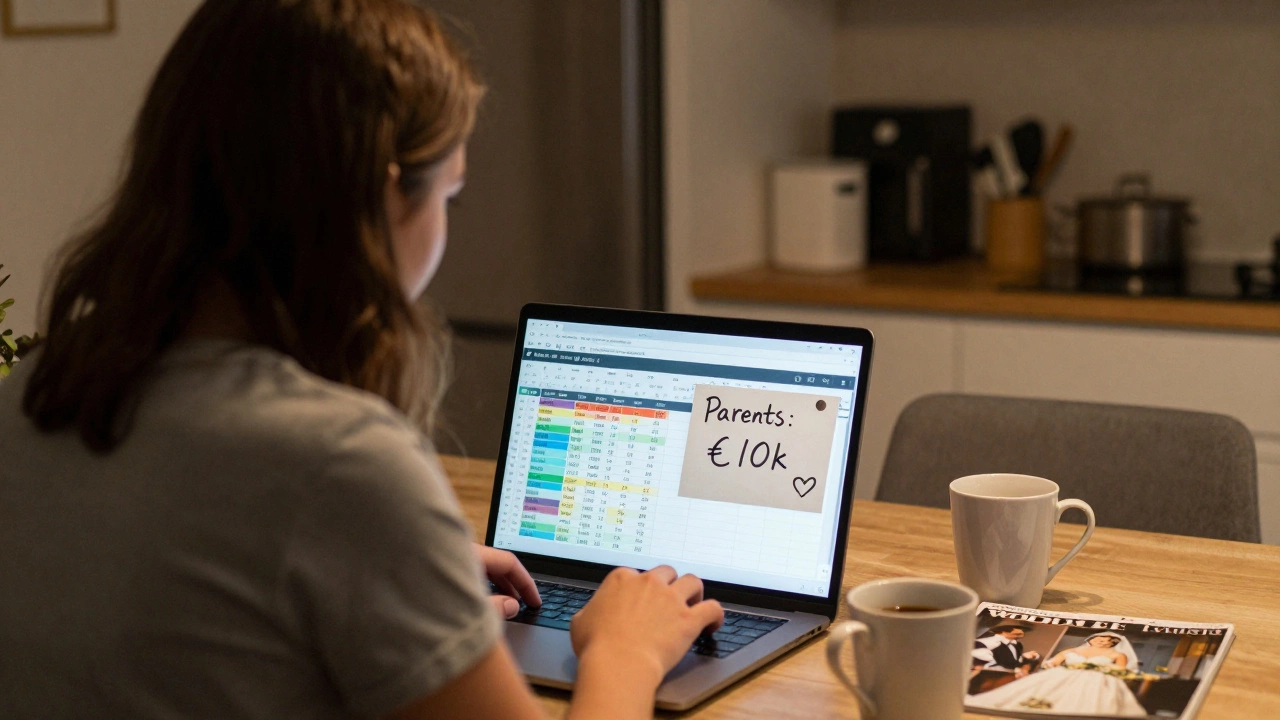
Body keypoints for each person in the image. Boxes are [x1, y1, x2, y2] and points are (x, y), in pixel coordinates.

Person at [0, 2, 723, 719]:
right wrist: (626, 649)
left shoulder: (34, 394)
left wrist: (398, 576)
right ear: (383, 194)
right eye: (452, 197)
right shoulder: (338, 466)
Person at [968, 632, 1148, 716]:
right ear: (1091, 640)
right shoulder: (1072, 650)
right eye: (1100, 639)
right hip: (1062, 676)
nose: (1103, 642)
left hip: (1095, 680)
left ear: (1113, 644)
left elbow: (1122, 671)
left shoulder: (1118, 655)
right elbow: (1053, 662)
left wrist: (1102, 671)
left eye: (1108, 641)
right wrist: (1050, 664)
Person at [972, 625, 1041, 678]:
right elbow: (983, 666)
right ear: (1004, 631)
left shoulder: (1016, 645)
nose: (1022, 631)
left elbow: (1009, 661)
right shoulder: (986, 642)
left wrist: (1024, 657)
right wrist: (1016, 671)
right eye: (1017, 627)